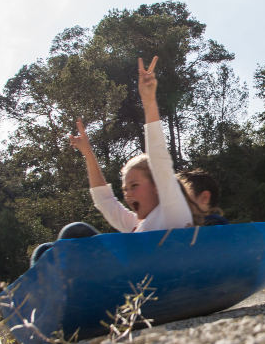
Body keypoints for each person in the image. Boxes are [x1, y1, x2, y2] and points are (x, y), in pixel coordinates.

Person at [29, 56, 196, 266]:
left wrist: (148, 101)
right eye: (125, 189)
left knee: (74, 232)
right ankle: (48, 292)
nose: (127, 194)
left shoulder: (172, 211)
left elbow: (158, 156)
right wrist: (88, 153)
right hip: (134, 277)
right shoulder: (136, 225)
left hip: (158, 278)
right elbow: (105, 201)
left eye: (134, 186)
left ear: (156, 186)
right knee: (46, 250)